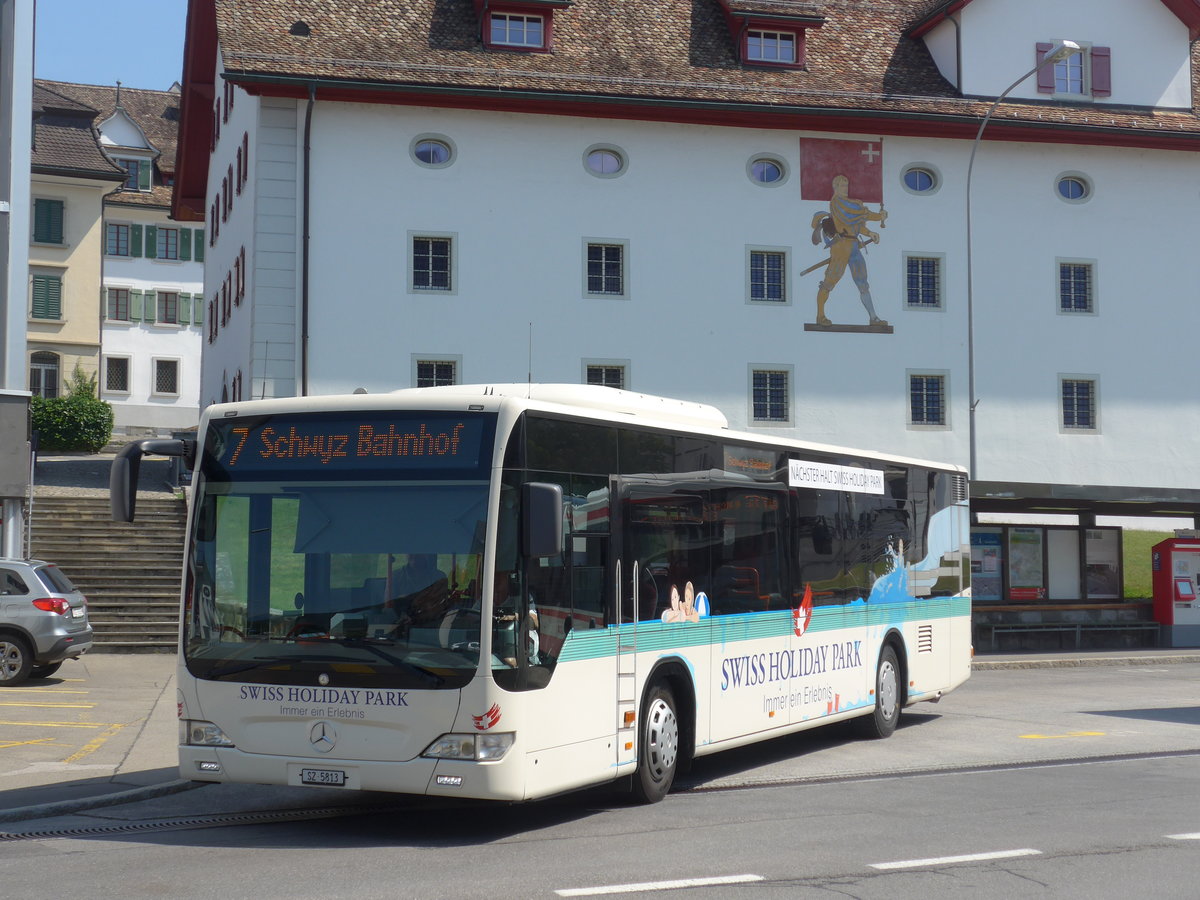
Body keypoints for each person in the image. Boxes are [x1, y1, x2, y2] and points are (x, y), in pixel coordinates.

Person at [809, 174, 888, 327]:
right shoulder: (837, 203)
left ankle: (873, 318)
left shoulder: (850, 204)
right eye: (842, 185)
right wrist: (879, 216)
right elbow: (853, 216)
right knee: (829, 281)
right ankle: (820, 315)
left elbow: (857, 225)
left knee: (863, 283)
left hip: (854, 246)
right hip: (841, 247)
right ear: (836, 187)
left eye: (846, 185)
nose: (845, 188)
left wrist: (869, 233)